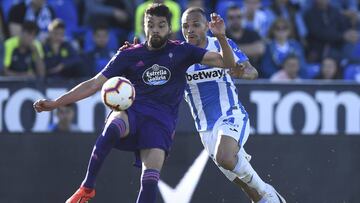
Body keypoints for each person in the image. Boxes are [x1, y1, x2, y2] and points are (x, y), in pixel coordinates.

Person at [33, 4, 238, 203]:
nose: (155, 30)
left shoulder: (182, 51)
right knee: (114, 123)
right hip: (133, 113)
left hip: (161, 123)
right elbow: (94, 84)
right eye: (151, 25)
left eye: (161, 25)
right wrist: (56, 103)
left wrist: (220, 37)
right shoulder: (128, 54)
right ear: (143, 26)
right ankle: (87, 187)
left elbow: (227, 63)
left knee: (149, 180)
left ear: (169, 27)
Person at [181, 7, 286, 203]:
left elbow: (252, 72)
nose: (190, 30)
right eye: (185, 26)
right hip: (205, 129)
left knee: (225, 158)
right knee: (248, 190)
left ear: (206, 26)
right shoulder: (179, 56)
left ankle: (266, 190)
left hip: (230, 114)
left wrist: (242, 73)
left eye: (196, 25)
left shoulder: (222, 45)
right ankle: (266, 196)